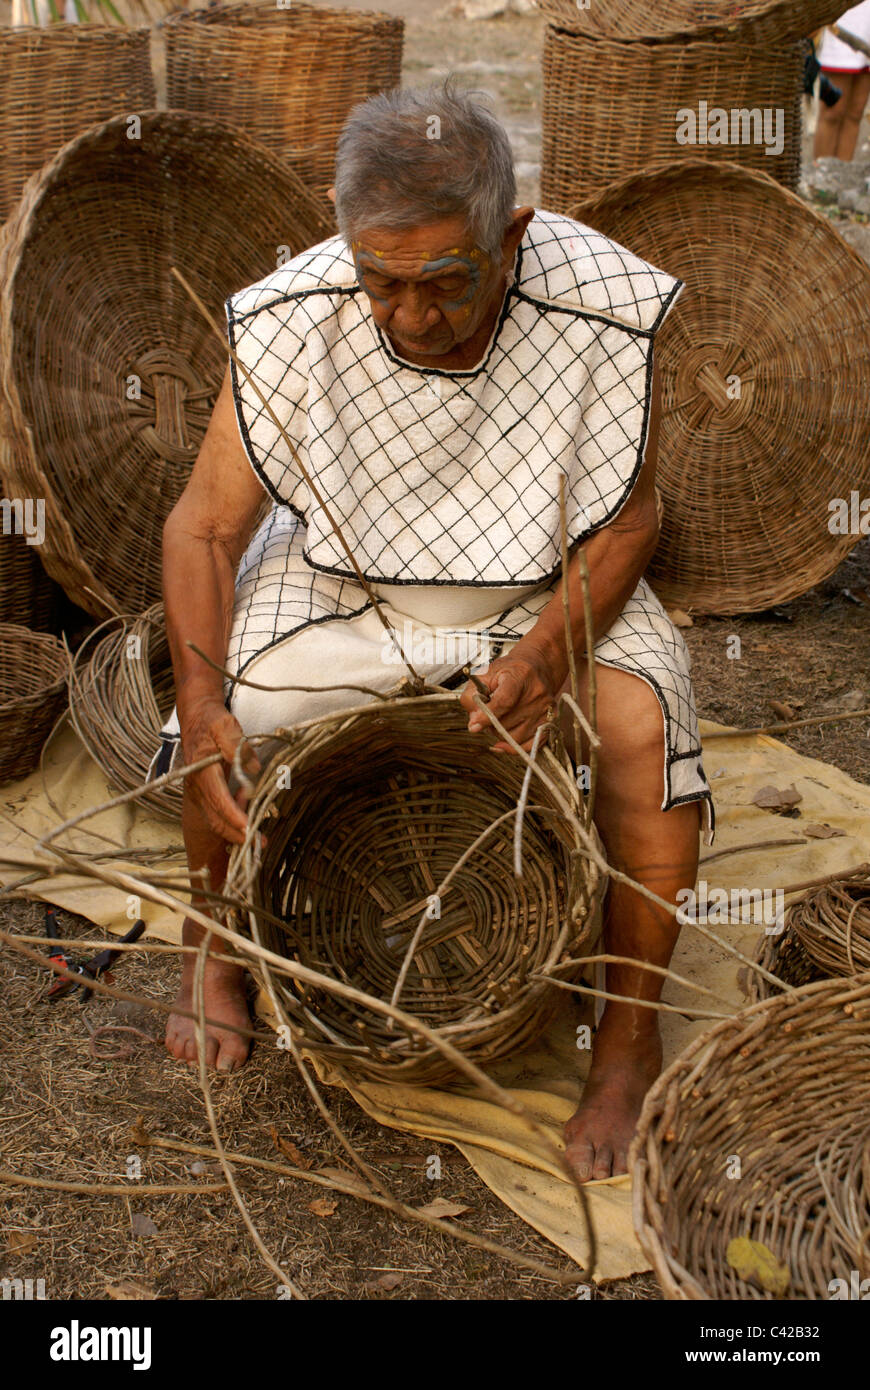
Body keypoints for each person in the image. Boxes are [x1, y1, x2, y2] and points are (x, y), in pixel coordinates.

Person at [151, 82, 715, 1183]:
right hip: (343, 583)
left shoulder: (603, 302)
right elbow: (206, 528)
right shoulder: (289, 311)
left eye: (445, 283)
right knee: (234, 713)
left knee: (644, 725)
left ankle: (628, 1036)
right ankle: (211, 943)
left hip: (545, 599)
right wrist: (208, 702)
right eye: (381, 282)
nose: (411, 317)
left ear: (511, 232)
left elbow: (635, 516)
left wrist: (548, 655)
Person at [813, 3, 870, 160]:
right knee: (833, 111)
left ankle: (842, 177)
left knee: (855, 112)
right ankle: (822, 178)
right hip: (843, 17)